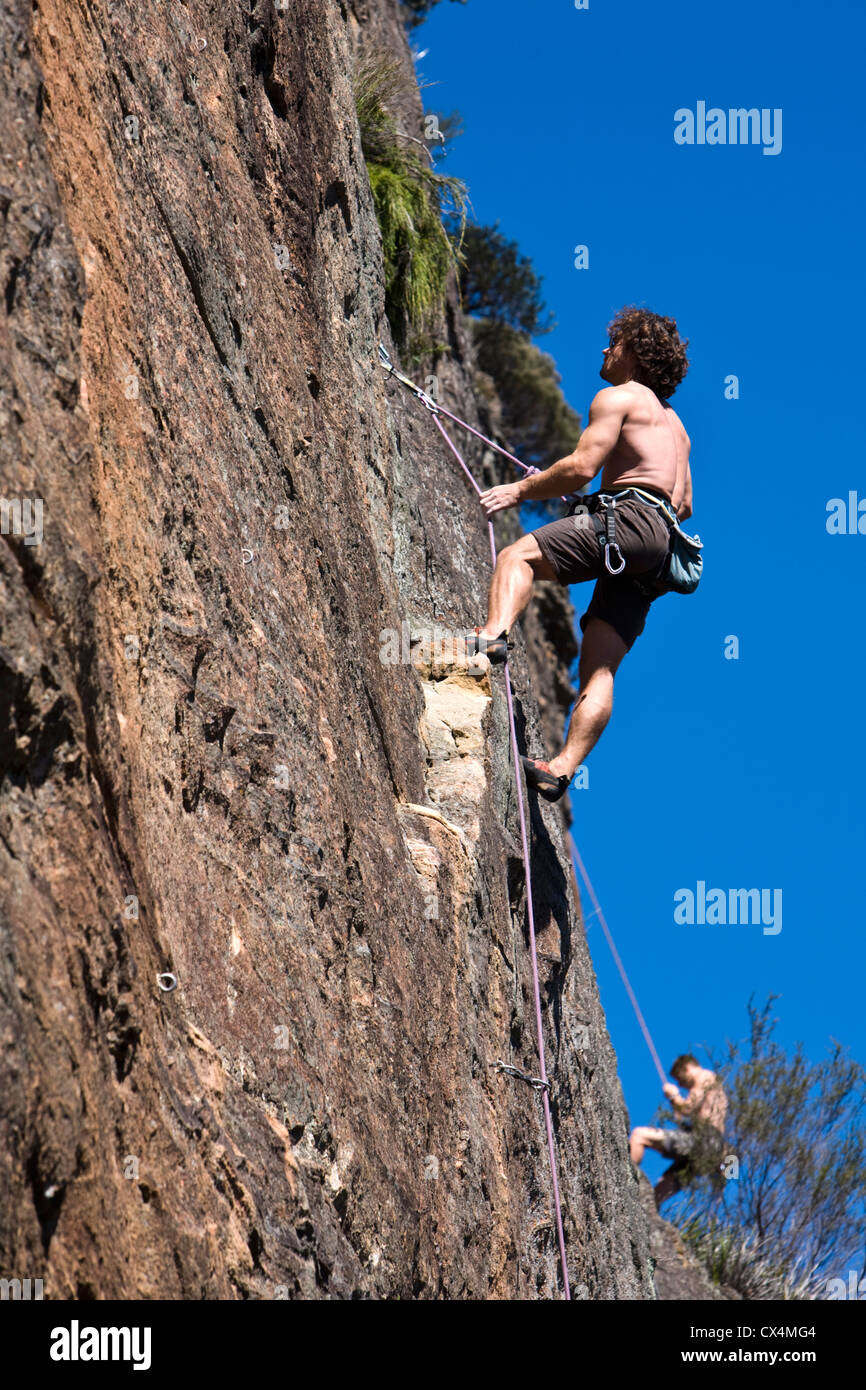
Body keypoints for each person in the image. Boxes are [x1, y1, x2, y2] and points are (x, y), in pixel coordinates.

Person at [469, 306, 693, 802]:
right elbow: (686, 504)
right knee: (601, 668)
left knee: (516, 557)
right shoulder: (678, 430)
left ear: (633, 352)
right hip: (658, 550)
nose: (604, 350)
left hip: (629, 522)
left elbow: (581, 467)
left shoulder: (618, 398)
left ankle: (489, 641)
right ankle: (561, 768)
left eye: (613, 343)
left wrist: (519, 491)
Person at [629, 1054, 728, 1209]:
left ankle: (623, 1182)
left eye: (680, 1079)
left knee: (639, 1135)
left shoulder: (704, 1076)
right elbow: (689, 1115)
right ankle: (648, 1215)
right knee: (656, 1195)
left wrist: (674, 1094)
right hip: (712, 1146)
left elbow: (688, 1107)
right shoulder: (715, 1085)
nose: (681, 1085)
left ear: (687, 1068)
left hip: (702, 1140)